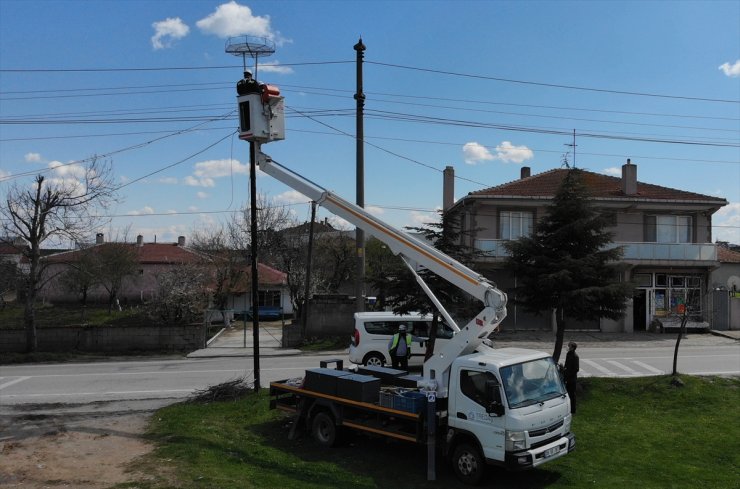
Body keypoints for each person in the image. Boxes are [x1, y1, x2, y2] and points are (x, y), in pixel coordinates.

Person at [563, 341, 580, 414]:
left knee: (572, 394)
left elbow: (576, 369)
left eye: (569, 346)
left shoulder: (575, 356)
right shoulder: (568, 354)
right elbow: (566, 365)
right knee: (566, 394)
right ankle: (567, 408)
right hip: (567, 377)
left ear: (572, 348)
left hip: (572, 379)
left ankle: (573, 410)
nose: (567, 347)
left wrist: (569, 374)